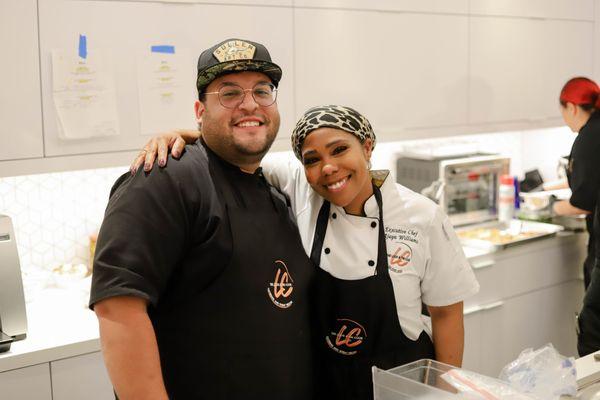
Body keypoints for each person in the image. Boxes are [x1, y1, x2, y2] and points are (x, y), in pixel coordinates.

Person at [135, 105, 480, 399]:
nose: (328, 168)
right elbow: (238, 153)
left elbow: (447, 314)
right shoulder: (302, 188)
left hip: (398, 388)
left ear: (368, 147)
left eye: (340, 149)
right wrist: (185, 135)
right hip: (322, 386)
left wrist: (442, 393)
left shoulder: (421, 216)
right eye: (313, 159)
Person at [89, 38, 316, 400]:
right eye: (229, 94)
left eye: (262, 90)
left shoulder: (276, 190)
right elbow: (117, 307)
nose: (249, 104)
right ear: (199, 110)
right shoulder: (163, 178)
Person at [553, 77, 600, 356]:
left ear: (571, 107)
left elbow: (583, 200)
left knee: (591, 326)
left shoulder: (586, 139)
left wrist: (551, 208)